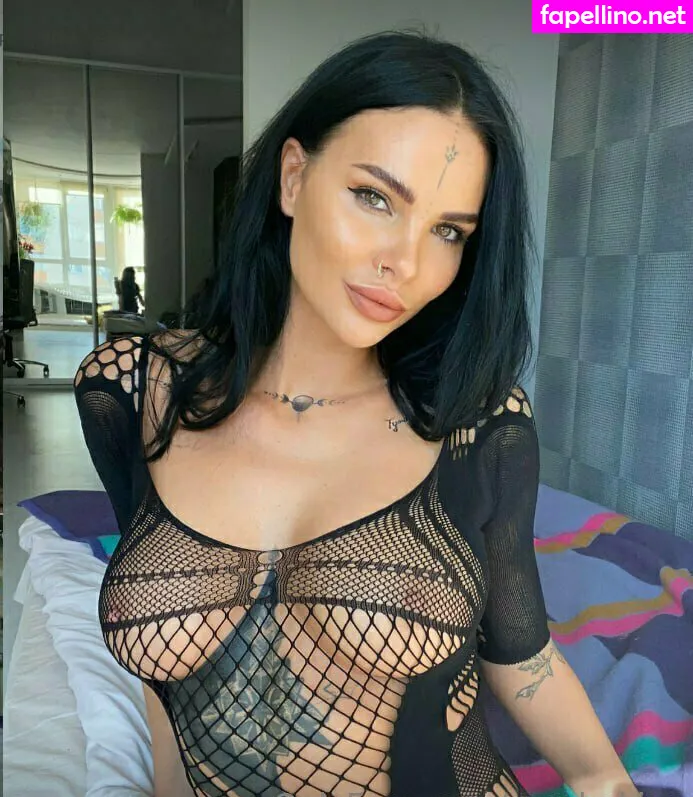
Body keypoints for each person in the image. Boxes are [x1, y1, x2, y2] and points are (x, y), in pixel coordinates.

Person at [74, 30, 640, 797]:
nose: (405, 262)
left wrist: (604, 778)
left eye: (447, 231)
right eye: (375, 197)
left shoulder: (475, 422)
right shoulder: (131, 391)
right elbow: (164, 678)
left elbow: (518, 650)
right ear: (293, 177)